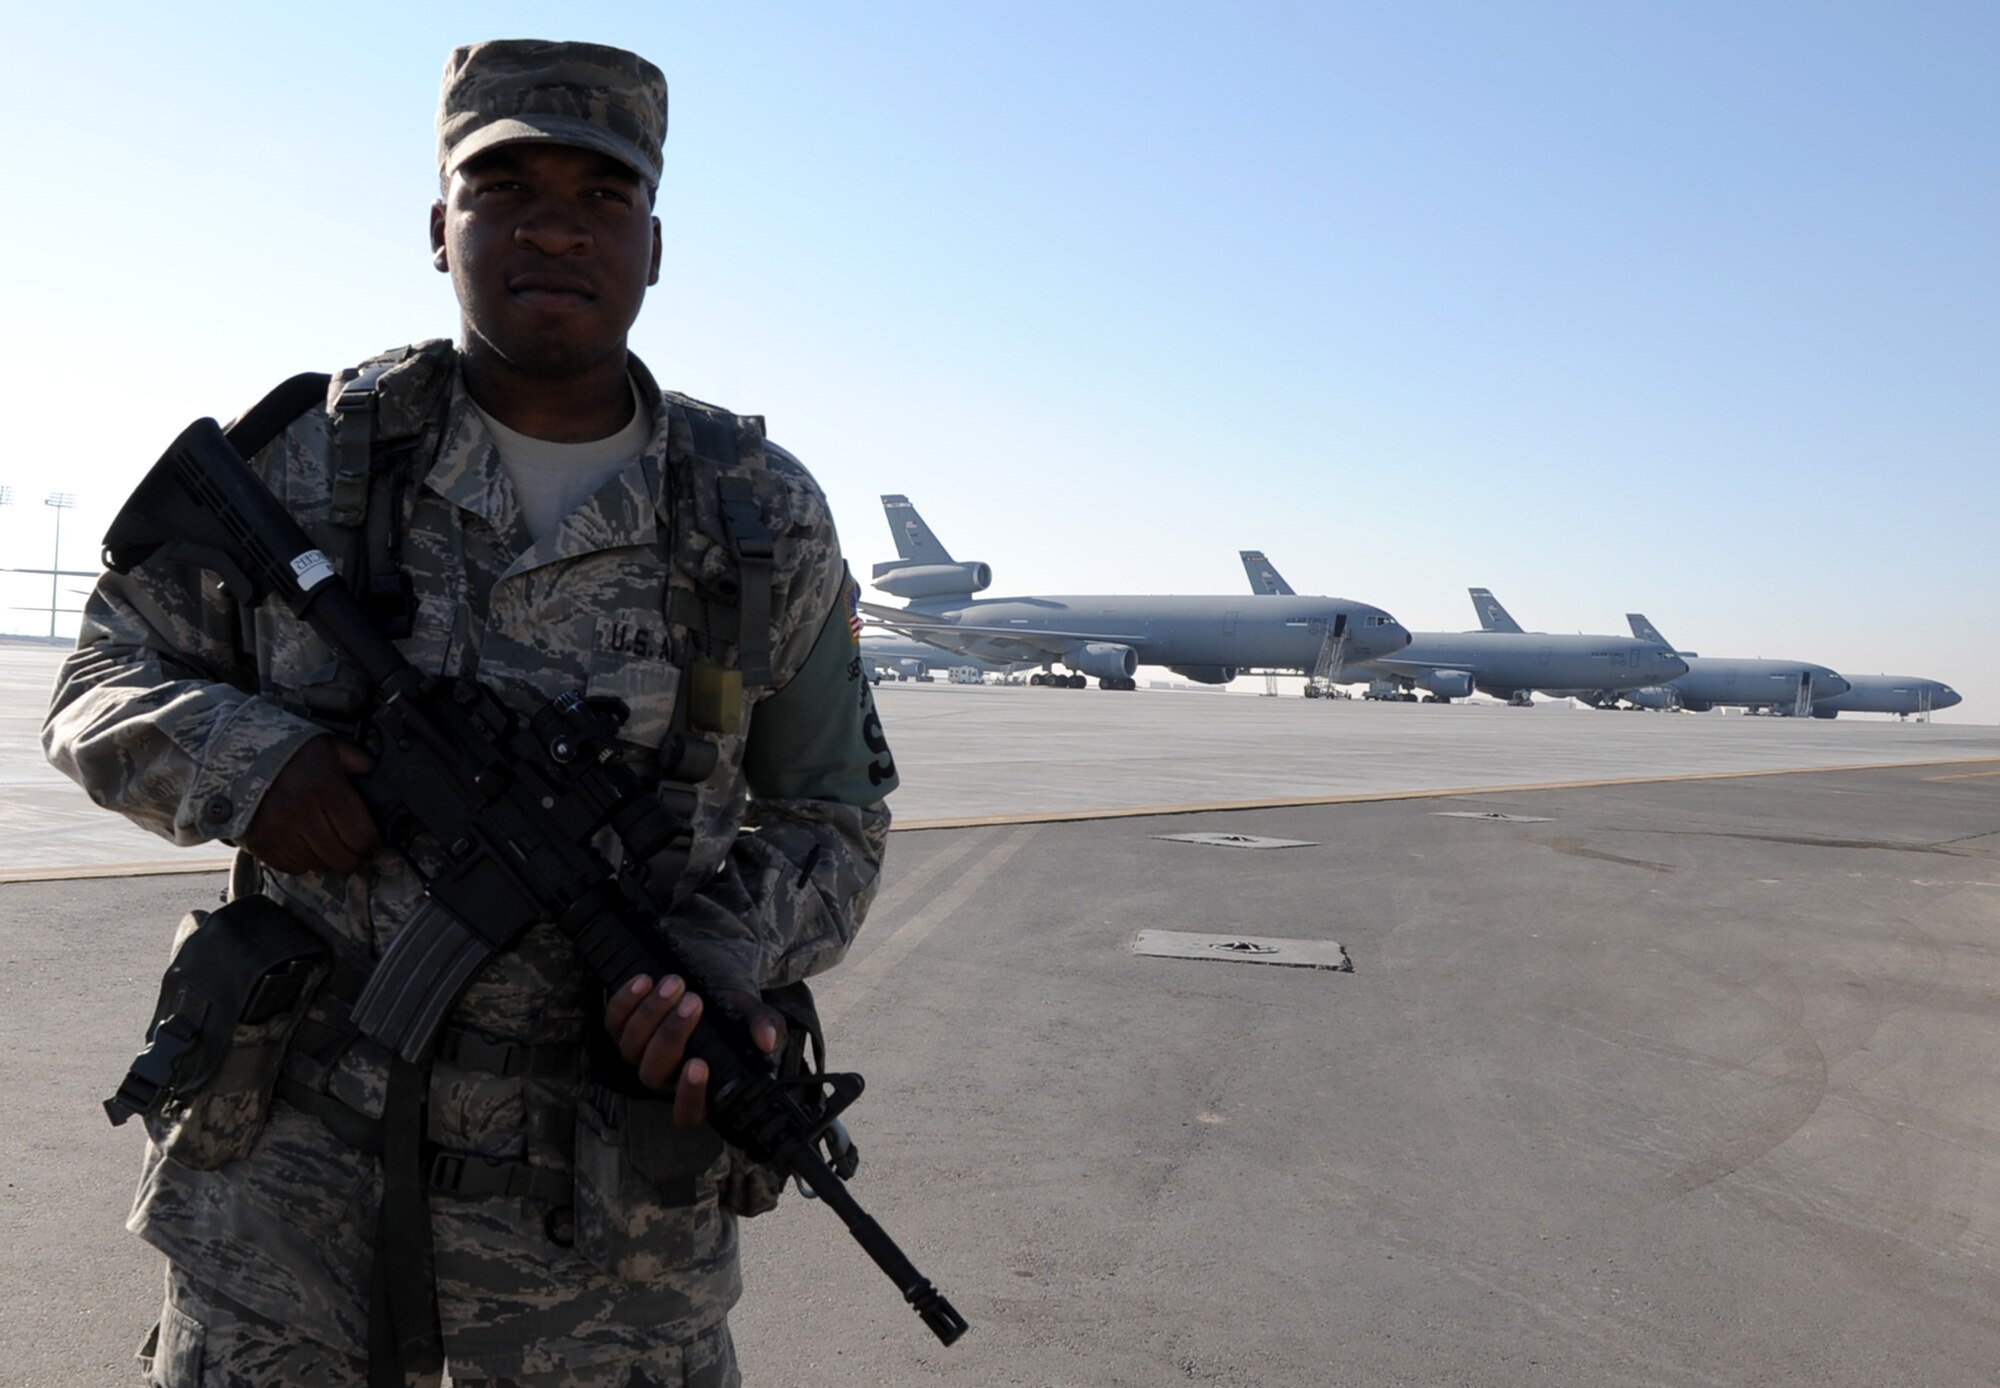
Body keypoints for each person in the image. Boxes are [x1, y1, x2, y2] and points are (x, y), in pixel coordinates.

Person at [44, 37, 897, 1388]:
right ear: (443, 225)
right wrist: (262, 763)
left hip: (610, 1264)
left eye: (602, 196)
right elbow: (96, 686)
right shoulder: (313, 462)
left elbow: (835, 818)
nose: (557, 225)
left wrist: (713, 961)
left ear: (656, 243)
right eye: (506, 187)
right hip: (287, 1223)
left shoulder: (759, 514)